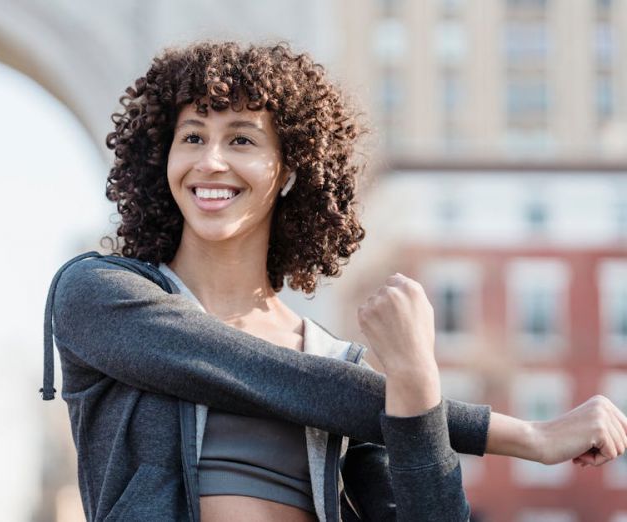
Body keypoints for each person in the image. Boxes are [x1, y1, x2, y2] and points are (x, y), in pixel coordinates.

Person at [41, 40, 627, 521]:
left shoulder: (333, 360)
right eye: (192, 136)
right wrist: (527, 436)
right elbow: (271, 377)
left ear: (290, 169)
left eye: (241, 138)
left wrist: (416, 381)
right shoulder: (100, 295)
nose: (211, 161)